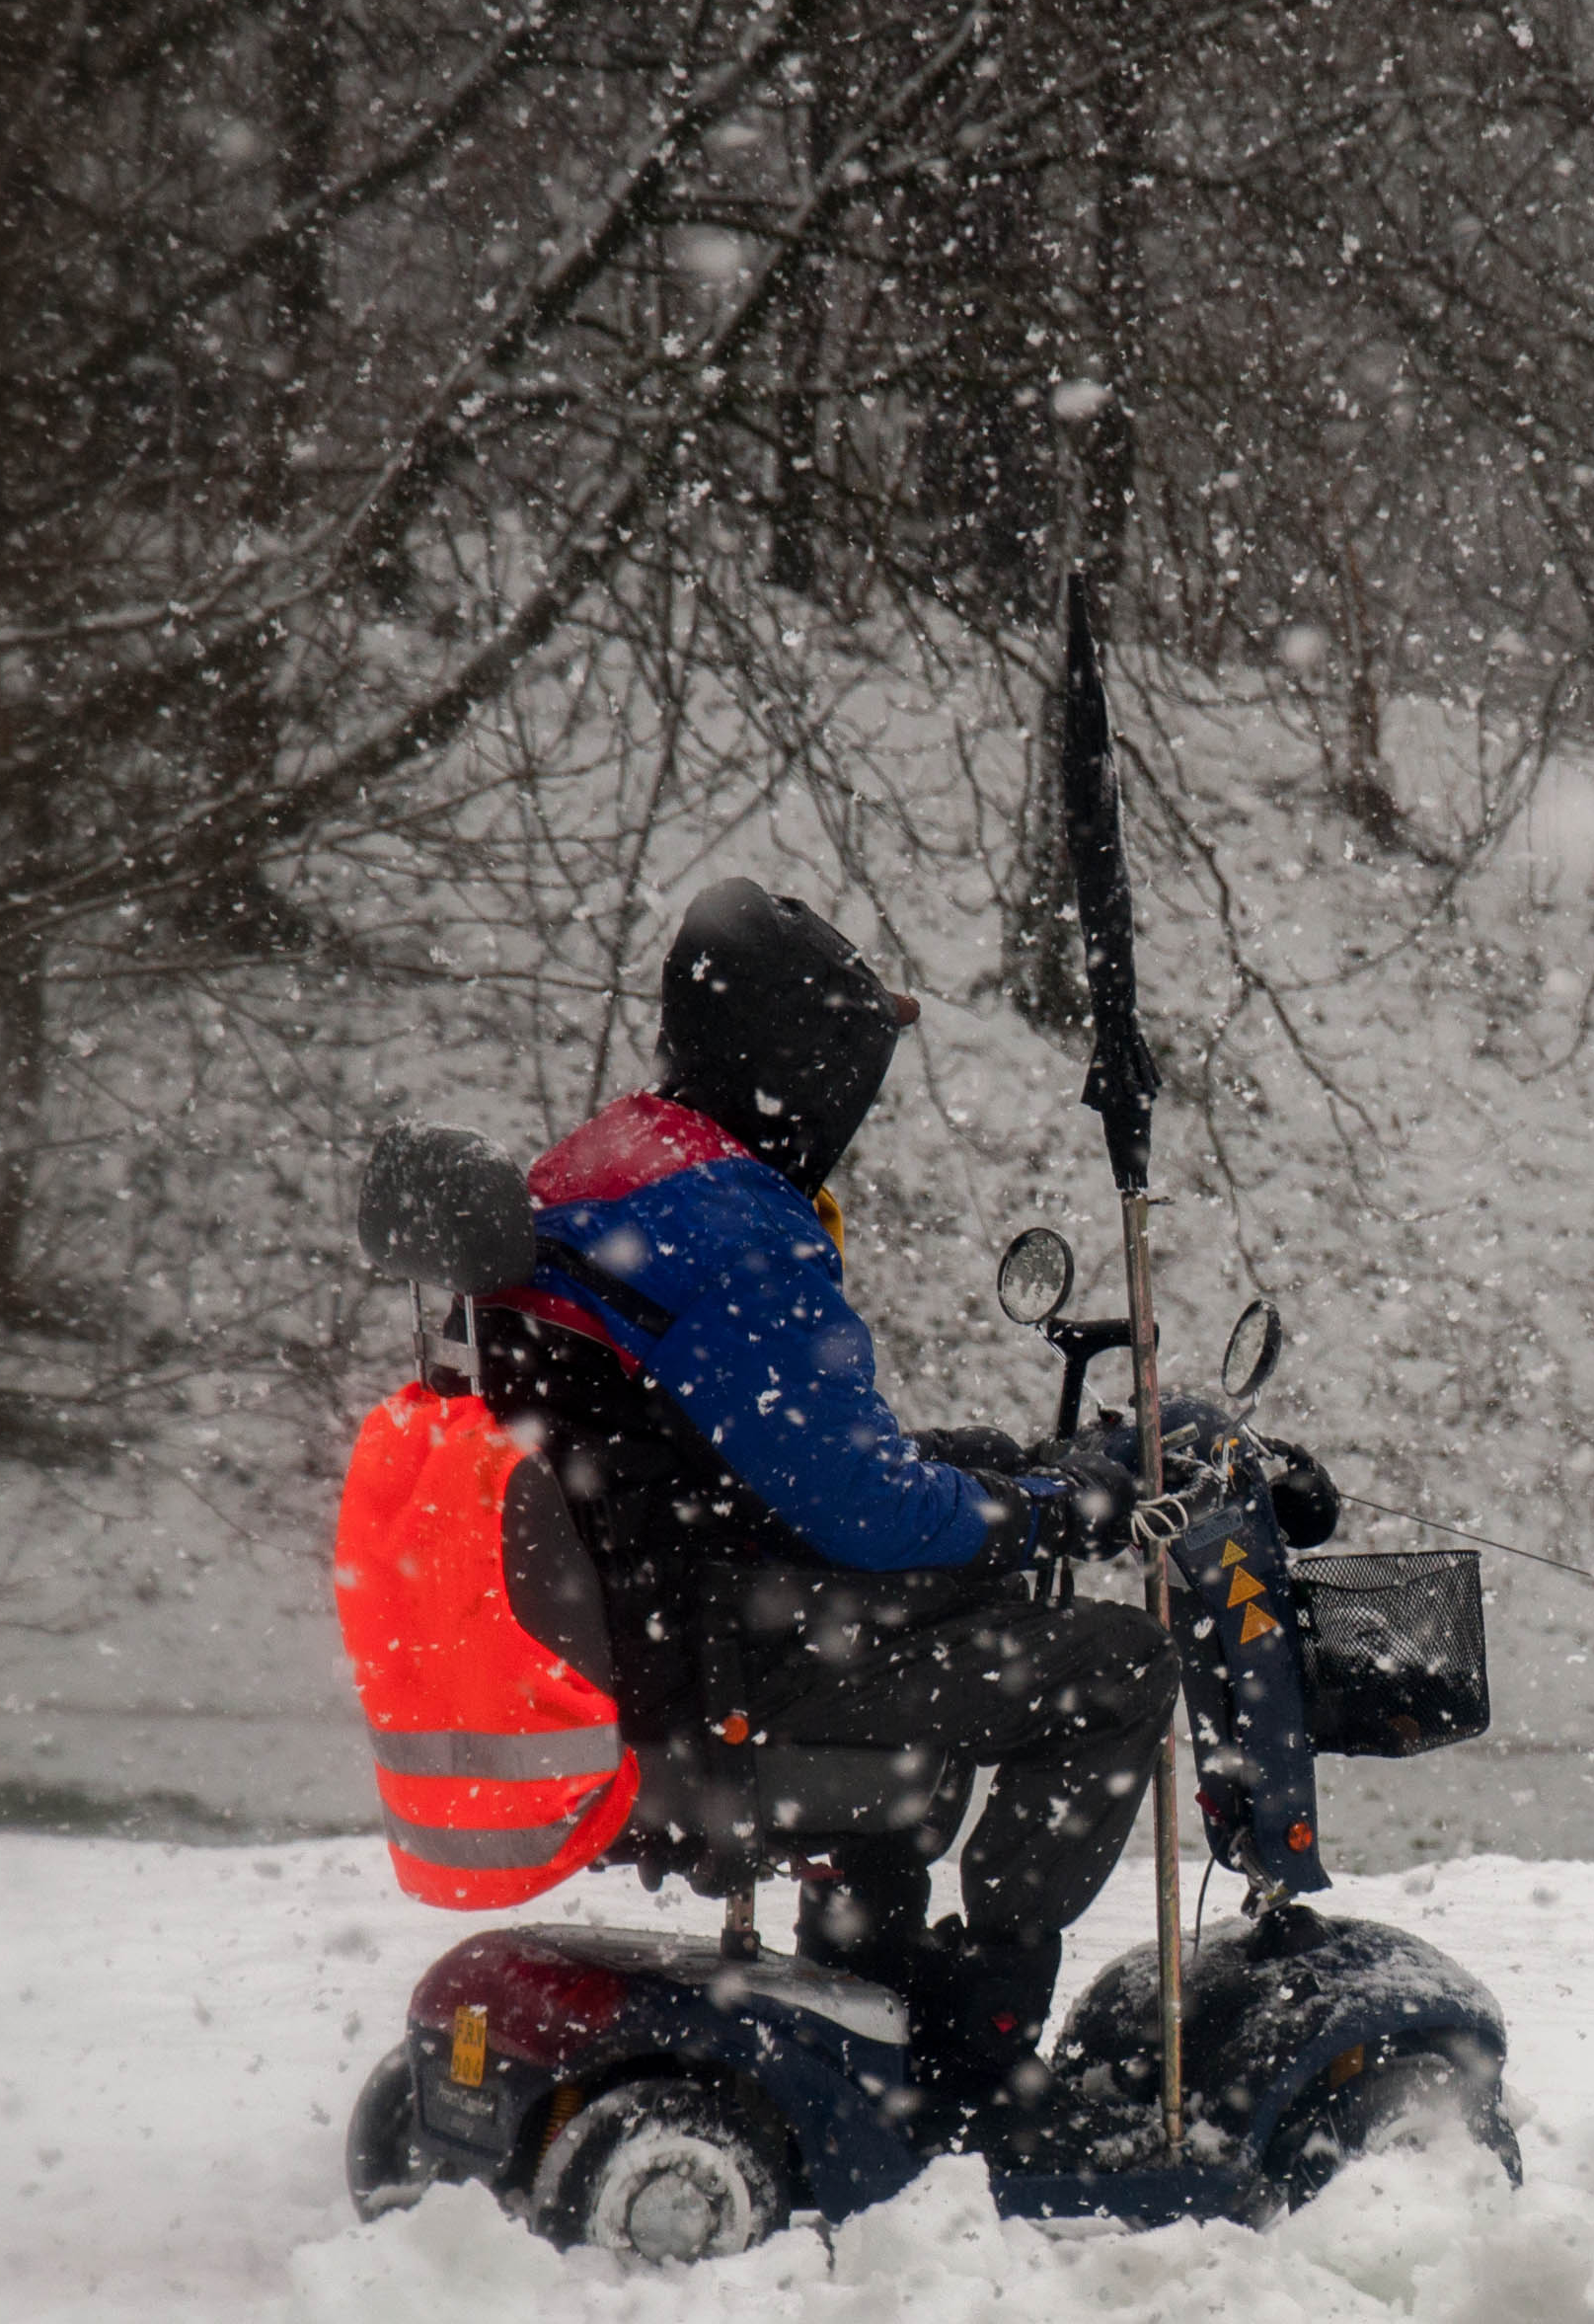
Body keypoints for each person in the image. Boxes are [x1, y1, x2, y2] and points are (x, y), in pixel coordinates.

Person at [476, 877, 1177, 2143]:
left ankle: (874, 1980)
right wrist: (1047, 1507)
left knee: (954, 1581)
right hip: (727, 1677)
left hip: (644, 1632)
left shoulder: (600, 1167)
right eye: (843, 1067)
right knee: (1115, 1665)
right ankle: (980, 2051)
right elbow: (861, 1509)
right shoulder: (730, 1217)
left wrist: (986, 1472)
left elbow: (735, 1448)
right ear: (790, 1057)